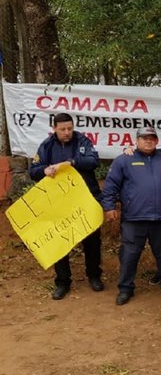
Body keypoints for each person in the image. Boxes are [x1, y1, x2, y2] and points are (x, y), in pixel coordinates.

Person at [102, 126, 161, 305]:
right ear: (137, 140)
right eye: (144, 138)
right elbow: (111, 186)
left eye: (151, 138)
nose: (148, 141)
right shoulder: (124, 160)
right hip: (134, 219)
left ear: (157, 141)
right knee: (129, 255)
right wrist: (109, 207)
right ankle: (125, 288)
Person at [29, 113, 104, 300]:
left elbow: (93, 161)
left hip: (84, 199)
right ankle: (63, 282)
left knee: (92, 240)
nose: (67, 132)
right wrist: (44, 170)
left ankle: (94, 275)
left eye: (69, 128)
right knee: (60, 242)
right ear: (54, 128)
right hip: (59, 203)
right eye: (62, 129)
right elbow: (33, 170)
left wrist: (72, 162)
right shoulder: (47, 145)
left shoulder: (83, 141)